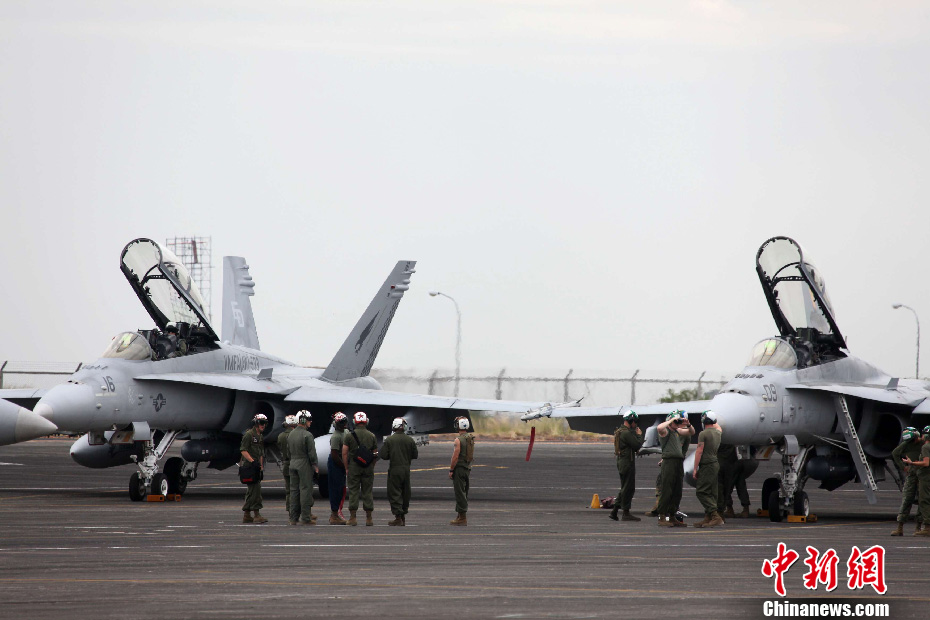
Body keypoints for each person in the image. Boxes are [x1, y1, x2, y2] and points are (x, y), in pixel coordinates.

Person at [656, 410, 694, 527]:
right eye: (676, 422)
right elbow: (659, 428)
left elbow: (691, 432)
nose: (677, 423)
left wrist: (688, 424)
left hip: (678, 462)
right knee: (667, 489)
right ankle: (662, 516)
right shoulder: (665, 432)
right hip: (669, 462)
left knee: (677, 490)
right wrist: (671, 420)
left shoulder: (677, 431)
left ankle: (672, 516)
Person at [380, 417, 419, 526]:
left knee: (394, 492)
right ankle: (403, 516)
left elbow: (383, 455)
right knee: (405, 492)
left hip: (395, 469)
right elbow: (415, 455)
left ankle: (398, 517)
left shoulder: (389, 440)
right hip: (406, 469)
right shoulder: (410, 440)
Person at [342, 411, 378, 526]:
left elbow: (344, 453)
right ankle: (369, 519)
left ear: (354, 421)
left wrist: (346, 467)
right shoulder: (372, 436)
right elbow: (375, 454)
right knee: (367, 491)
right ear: (366, 421)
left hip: (354, 468)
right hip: (367, 468)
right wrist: (371, 466)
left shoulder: (349, 436)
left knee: (353, 491)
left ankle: (353, 518)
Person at [610, 410, 643, 522]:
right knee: (628, 488)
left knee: (625, 487)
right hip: (627, 463)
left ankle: (615, 511)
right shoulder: (626, 433)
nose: (636, 424)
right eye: (635, 421)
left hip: (623, 462)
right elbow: (636, 445)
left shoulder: (620, 431)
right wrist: (639, 435)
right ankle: (624, 513)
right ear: (631, 420)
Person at [692, 411, 724, 528]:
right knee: (712, 491)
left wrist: (695, 468)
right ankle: (708, 517)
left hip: (706, 465)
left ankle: (715, 516)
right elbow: (718, 427)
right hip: (715, 463)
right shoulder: (718, 432)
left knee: (701, 491)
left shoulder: (703, 434)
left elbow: (699, 451)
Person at [287, 410, 319, 526]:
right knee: (305, 490)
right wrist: (315, 465)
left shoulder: (291, 434)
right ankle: (305, 517)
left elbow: (288, 451)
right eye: (309, 420)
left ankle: (293, 518)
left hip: (293, 462)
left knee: (294, 491)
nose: (310, 422)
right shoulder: (307, 435)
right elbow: (312, 453)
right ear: (304, 420)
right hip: (304, 463)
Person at [891, 427, 923, 536]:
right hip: (912, 475)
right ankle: (900, 527)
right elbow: (895, 453)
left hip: (923, 475)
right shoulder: (907, 444)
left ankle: (918, 527)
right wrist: (903, 467)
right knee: (907, 500)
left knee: (922, 501)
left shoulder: (924, 444)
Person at [240, 413, 268, 524]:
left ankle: (247, 515)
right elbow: (243, 450)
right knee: (255, 491)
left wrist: (260, 467)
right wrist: (253, 462)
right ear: (256, 423)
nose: (263, 425)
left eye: (265, 423)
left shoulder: (260, 436)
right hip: (249, 467)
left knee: (252, 491)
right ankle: (256, 515)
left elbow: (260, 453)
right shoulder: (249, 435)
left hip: (256, 467)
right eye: (261, 423)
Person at [902, 425, 930, 538]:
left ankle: (927, 528)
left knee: (924, 500)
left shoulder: (926, 447)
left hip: (926, 477)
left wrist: (912, 463)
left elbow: (926, 463)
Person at [449, 416, 475, 526]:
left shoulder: (458, 440)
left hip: (459, 469)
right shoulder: (470, 438)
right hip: (467, 467)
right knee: (464, 491)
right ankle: (459, 516)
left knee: (460, 493)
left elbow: (455, 456)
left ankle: (462, 518)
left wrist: (451, 469)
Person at [327, 412, 349, 525]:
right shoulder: (336, 436)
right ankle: (334, 515)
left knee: (341, 489)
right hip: (336, 464)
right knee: (335, 489)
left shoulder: (346, 432)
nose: (343, 424)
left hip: (341, 462)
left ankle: (337, 513)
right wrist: (344, 466)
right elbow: (334, 455)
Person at [277, 414, 296, 516]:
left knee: (288, 490)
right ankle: (297, 511)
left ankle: (289, 510)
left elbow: (280, 447)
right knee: (297, 489)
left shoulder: (280, 436)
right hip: (295, 464)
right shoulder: (296, 435)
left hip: (286, 464)